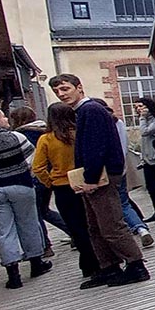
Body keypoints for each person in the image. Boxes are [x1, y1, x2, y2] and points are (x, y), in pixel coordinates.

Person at [48, 74, 151, 288]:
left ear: (79, 87)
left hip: (101, 175)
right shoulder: (84, 111)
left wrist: (91, 179)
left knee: (111, 224)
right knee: (95, 226)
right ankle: (109, 266)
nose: (61, 94)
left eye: (65, 89)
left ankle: (136, 265)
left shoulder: (90, 110)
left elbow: (95, 147)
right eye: (57, 91)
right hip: (95, 174)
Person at [0, 106, 51, 288]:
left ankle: (14, 274)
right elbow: (31, 159)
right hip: (20, 184)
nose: (6, 120)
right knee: (28, 223)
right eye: (2, 117)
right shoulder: (16, 137)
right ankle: (36, 263)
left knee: (2, 232)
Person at [33, 102, 99, 277]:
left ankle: (88, 264)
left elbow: (38, 167)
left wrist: (50, 182)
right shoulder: (79, 134)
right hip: (85, 181)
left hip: (62, 186)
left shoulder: (46, 139)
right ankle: (102, 258)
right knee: (92, 223)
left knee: (76, 227)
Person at [93, 98, 151, 246]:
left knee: (116, 204)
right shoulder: (118, 123)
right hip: (121, 167)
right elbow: (124, 146)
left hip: (107, 171)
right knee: (123, 201)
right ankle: (140, 227)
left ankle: (136, 227)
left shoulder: (100, 125)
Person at [10, 106, 67, 257]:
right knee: (44, 210)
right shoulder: (45, 131)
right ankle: (72, 231)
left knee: (37, 213)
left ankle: (45, 246)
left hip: (35, 176)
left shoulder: (19, 135)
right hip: (50, 175)